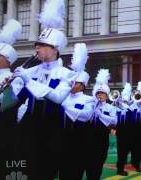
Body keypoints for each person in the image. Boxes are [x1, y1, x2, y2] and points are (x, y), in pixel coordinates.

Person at [12, 1, 75, 178]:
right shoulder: (29, 71)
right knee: (24, 170)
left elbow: (57, 98)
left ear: (54, 49)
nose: (36, 48)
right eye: (36, 45)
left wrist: (27, 80)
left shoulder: (66, 74)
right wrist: (9, 88)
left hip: (52, 128)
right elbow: (15, 101)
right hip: (29, 126)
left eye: (41, 45)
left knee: (46, 171)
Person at [59, 43, 94, 180]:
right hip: (62, 139)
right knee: (63, 171)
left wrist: (65, 106)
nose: (72, 85)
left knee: (75, 171)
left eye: (75, 83)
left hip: (79, 141)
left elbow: (86, 116)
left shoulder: (88, 100)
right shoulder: (63, 95)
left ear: (82, 86)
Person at [0, 19, 22, 180]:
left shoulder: (15, 78)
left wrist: (6, 90)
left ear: (8, 60)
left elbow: (11, 103)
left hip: (3, 128)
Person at [88, 69, 117, 180]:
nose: (100, 95)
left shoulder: (110, 108)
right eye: (98, 93)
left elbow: (115, 121)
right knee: (89, 163)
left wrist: (100, 114)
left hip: (102, 138)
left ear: (106, 95)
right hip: (90, 137)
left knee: (99, 163)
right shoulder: (91, 105)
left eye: (102, 93)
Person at [129, 80, 141, 172]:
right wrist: (135, 103)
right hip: (133, 128)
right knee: (135, 145)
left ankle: (138, 160)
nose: (138, 97)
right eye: (137, 95)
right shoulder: (132, 105)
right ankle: (135, 163)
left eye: (140, 95)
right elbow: (129, 110)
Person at [115, 83, 132, 176]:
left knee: (125, 151)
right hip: (121, 132)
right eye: (123, 100)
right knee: (121, 151)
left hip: (129, 132)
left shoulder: (130, 108)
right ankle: (120, 168)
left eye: (126, 101)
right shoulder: (117, 108)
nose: (124, 102)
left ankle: (122, 167)